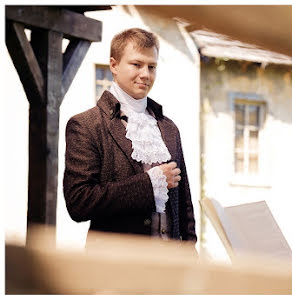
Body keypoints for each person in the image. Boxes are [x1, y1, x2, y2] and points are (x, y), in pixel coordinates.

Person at [63, 28, 197, 246]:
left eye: (152, 67)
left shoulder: (169, 128)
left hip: (170, 268)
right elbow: (79, 203)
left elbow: (184, 203)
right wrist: (148, 184)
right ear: (114, 65)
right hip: (116, 268)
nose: (146, 74)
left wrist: (190, 252)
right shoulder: (86, 125)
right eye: (137, 64)